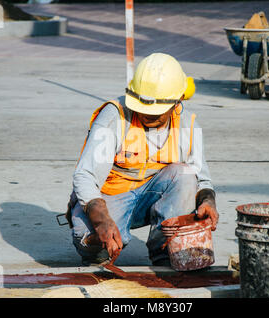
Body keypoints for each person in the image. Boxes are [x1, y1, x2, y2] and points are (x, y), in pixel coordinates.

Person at [66, 53, 219, 266]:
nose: (147, 115)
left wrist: (207, 201)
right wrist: (101, 220)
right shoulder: (114, 116)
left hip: (152, 194)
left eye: (156, 112)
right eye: (142, 108)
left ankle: (164, 249)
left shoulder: (187, 125)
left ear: (177, 102)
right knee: (92, 243)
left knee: (184, 173)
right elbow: (85, 175)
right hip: (110, 197)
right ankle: (99, 245)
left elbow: (201, 179)